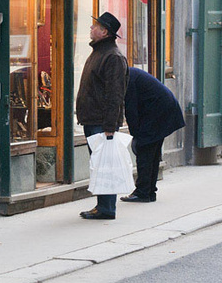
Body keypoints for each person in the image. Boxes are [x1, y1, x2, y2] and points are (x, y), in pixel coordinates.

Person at [76, 11, 129, 220]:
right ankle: (102, 205)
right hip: (93, 119)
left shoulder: (113, 57)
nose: (91, 28)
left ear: (104, 31)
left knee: (105, 165)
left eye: (94, 26)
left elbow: (115, 94)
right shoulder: (100, 52)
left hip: (101, 122)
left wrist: (110, 125)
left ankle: (106, 208)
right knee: (99, 164)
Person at [120, 67, 185, 203]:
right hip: (163, 109)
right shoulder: (131, 74)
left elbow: (131, 109)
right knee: (152, 152)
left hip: (158, 111)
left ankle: (143, 192)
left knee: (145, 149)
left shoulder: (127, 78)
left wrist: (135, 134)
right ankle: (149, 191)